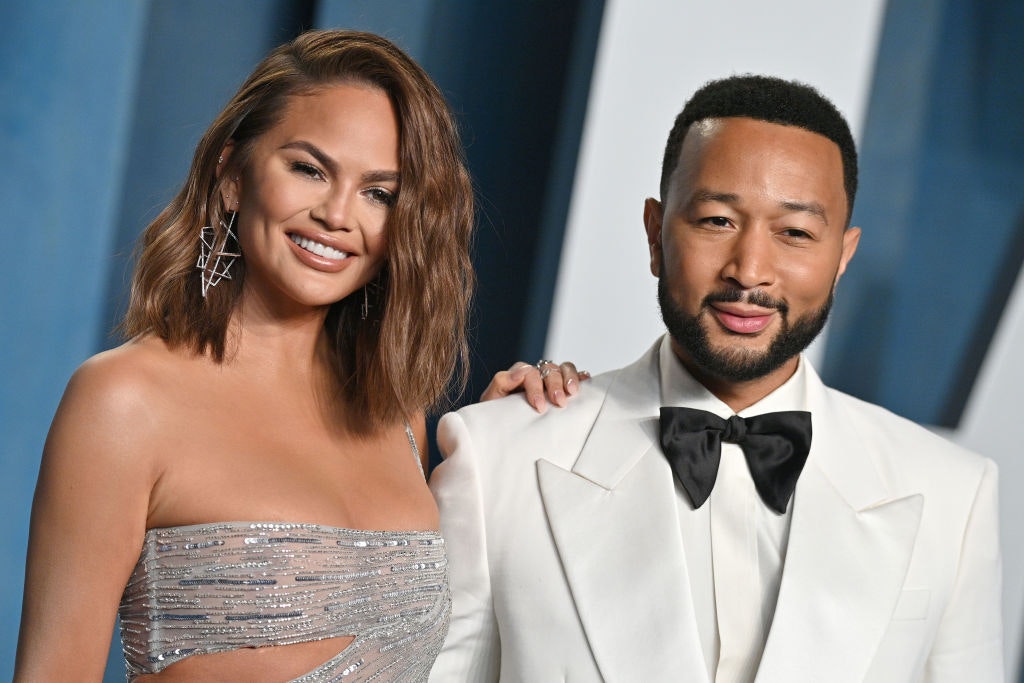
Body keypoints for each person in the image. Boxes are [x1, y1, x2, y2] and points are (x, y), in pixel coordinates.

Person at [429, 75, 1004, 682]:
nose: (750, 270)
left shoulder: (952, 496)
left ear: (842, 256)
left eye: (796, 232)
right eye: (717, 221)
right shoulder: (499, 457)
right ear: (656, 233)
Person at [15, 29, 504, 682]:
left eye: (378, 192)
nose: (337, 213)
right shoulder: (125, 401)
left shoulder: (396, 417)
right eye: (309, 168)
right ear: (230, 177)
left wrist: (531, 425)